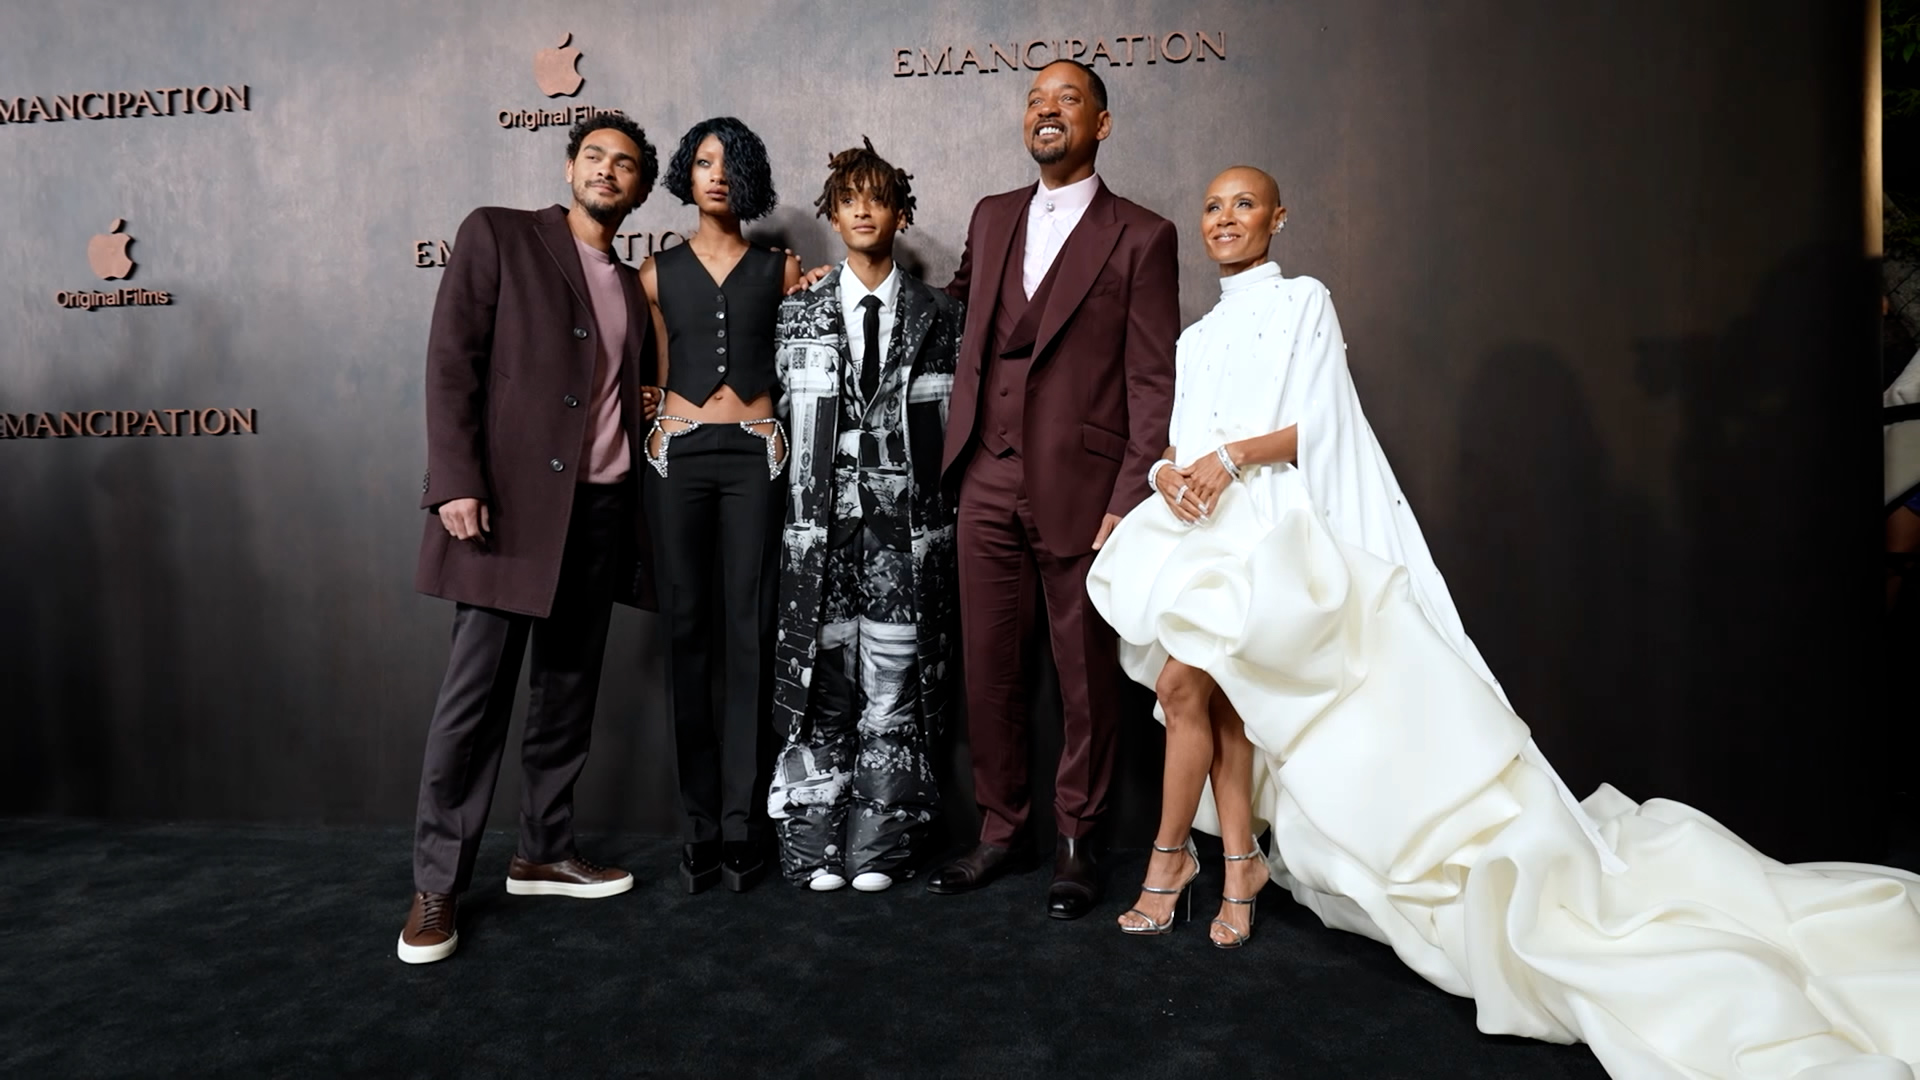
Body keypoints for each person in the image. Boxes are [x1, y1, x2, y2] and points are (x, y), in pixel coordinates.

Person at [1087, 167, 1920, 1076]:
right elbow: (1179, 437)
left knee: (1212, 689)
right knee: (1201, 690)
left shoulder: (1305, 300)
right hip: (1208, 528)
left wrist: (1233, 456)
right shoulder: (1197, 335)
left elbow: (1324, 425)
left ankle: (1177, 861)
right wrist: (1167, 473)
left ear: (1277, 218)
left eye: (1245, 204)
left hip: (1277, 526)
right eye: (1213, 206)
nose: (1225, 218)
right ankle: (1234, 862)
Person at [401, 114, 662, 964]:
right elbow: (452, 360)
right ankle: (437, 885)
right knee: (474, 703)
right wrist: (456, 480)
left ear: (640, 188)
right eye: (595, 156)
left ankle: (544, 851)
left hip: (600, 513)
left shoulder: (632, 286)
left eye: (626, 164)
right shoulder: (500, 235)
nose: (608, 171)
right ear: (570, 166)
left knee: (566, 693)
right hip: (509, 512)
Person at [927, 58, 1178, 920]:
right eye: (1036, 99)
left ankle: (1078, 840)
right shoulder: (992, 214)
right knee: (989, 668)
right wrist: (855, 281)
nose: (1047, 109)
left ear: (1100, 124)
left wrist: (1128, 498)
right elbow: (957, 307)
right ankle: (1001, 830)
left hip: (1085, 484)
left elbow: (1152, 379)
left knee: (1085, 677)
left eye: (1067, 99)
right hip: (986, 473)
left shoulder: (1142, 234)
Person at [765, 138, 965, 892]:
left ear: (900, 214)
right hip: (817, 534)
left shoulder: (942, 315)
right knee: (819, 679)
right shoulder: (797, 311)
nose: (861, 210)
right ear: (832, 212)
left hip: (905, 537)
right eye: (848, 198)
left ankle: (881, 844)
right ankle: (813, 842)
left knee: (896, 681)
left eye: (877, 198)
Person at [638, 117, 801, 894]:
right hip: (678, 455)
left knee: (751, 632)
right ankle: (698, 825)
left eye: (732, 163)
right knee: (687, 631)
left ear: (749, 177)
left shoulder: (781, 268)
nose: (717, 174)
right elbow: (654, 368)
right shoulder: (654, 271)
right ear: (686, 173)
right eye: (704, 162)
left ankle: (743, 824)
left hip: (756, 455)